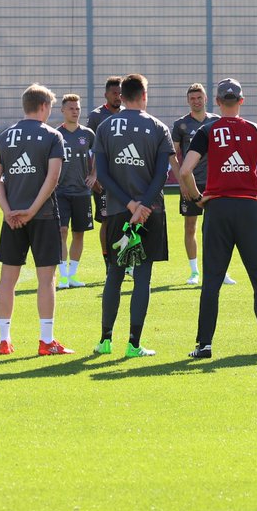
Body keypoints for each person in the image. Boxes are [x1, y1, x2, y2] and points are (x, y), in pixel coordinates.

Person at [179, 78, 257, 359]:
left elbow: (185, 171)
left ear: (218, 102)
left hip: (218, 209)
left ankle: (204, 345)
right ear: (241, 101)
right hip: (249, 209)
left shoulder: (207, 131)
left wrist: (198, 198)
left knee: (211, 280)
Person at [91, 74, 172, 357]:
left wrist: (128, 205)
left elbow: (102, 174)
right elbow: (162, 175)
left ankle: (105, 340)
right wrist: (142, 206)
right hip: (151, 213)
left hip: (116, 212)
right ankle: (134, 344)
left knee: (114, 274)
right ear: (145, 95)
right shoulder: (159, 127)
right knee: (143, 277)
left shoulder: (105, 126)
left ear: (121, 96)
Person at [0, 84, 71, 356]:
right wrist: (33, 209)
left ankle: (4, 340)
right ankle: (46, 342)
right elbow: (53, 178)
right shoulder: (52, 136)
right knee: (46, 280)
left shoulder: (4, 137)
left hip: (12, 218)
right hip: (44, 216)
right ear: (45, 107)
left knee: (7, 279)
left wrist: (7, 210)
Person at [171, 83, 233, 286]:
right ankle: (194, 271)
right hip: (191, 182)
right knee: (190, 226)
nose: (196, 101)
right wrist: (181, 180)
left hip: (216, 183)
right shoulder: (181, 124)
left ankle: (221, 271)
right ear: (188, 101)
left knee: (219, 229)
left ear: (206, 99)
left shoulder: (217, 121)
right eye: (192, 98)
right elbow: (174, 155)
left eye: (199, 98)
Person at [54, 94, 94, 289]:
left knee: (79, 233)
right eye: (71, 108)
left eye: (77, 108)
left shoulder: (87, 134)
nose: (75, 111)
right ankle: (62, 277)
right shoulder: (55, 134)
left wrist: (94, 175)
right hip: (60, 191)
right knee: (62, 231)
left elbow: (100, 155)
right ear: (62, 111)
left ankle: (72, 275)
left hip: (82, 192)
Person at [87, 76, 123, 261]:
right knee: (107, 220)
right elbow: (90, 148)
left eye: (120, 93)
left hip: (125, 177)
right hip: (103, 178)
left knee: (127, 219)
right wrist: (93, 175)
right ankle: (108, 261)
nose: (118, 96)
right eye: (114, 93)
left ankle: (126, 260)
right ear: (106, 95)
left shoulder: (128, 113)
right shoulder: (96, 116)